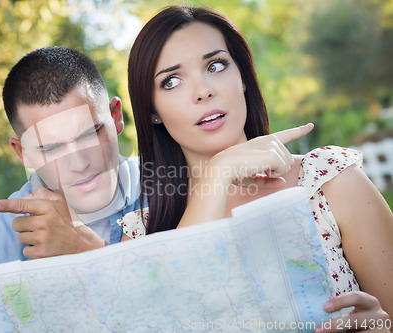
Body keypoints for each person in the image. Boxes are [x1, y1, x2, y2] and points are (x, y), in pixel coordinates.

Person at [119, 5, 393, 331]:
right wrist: (219, 171)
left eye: (216, 65)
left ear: (243, 79)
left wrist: (382, 326)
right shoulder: (140, 235)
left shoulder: (329, 180)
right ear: (152, 112)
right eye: (172, 81)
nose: (203, 91)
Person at [0, 46, 143, 332]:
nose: (78, 163)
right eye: (50, 148)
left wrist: (88, 259)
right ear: (23, 153)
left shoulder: (183, 192)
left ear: (115, 116)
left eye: (90, 133)